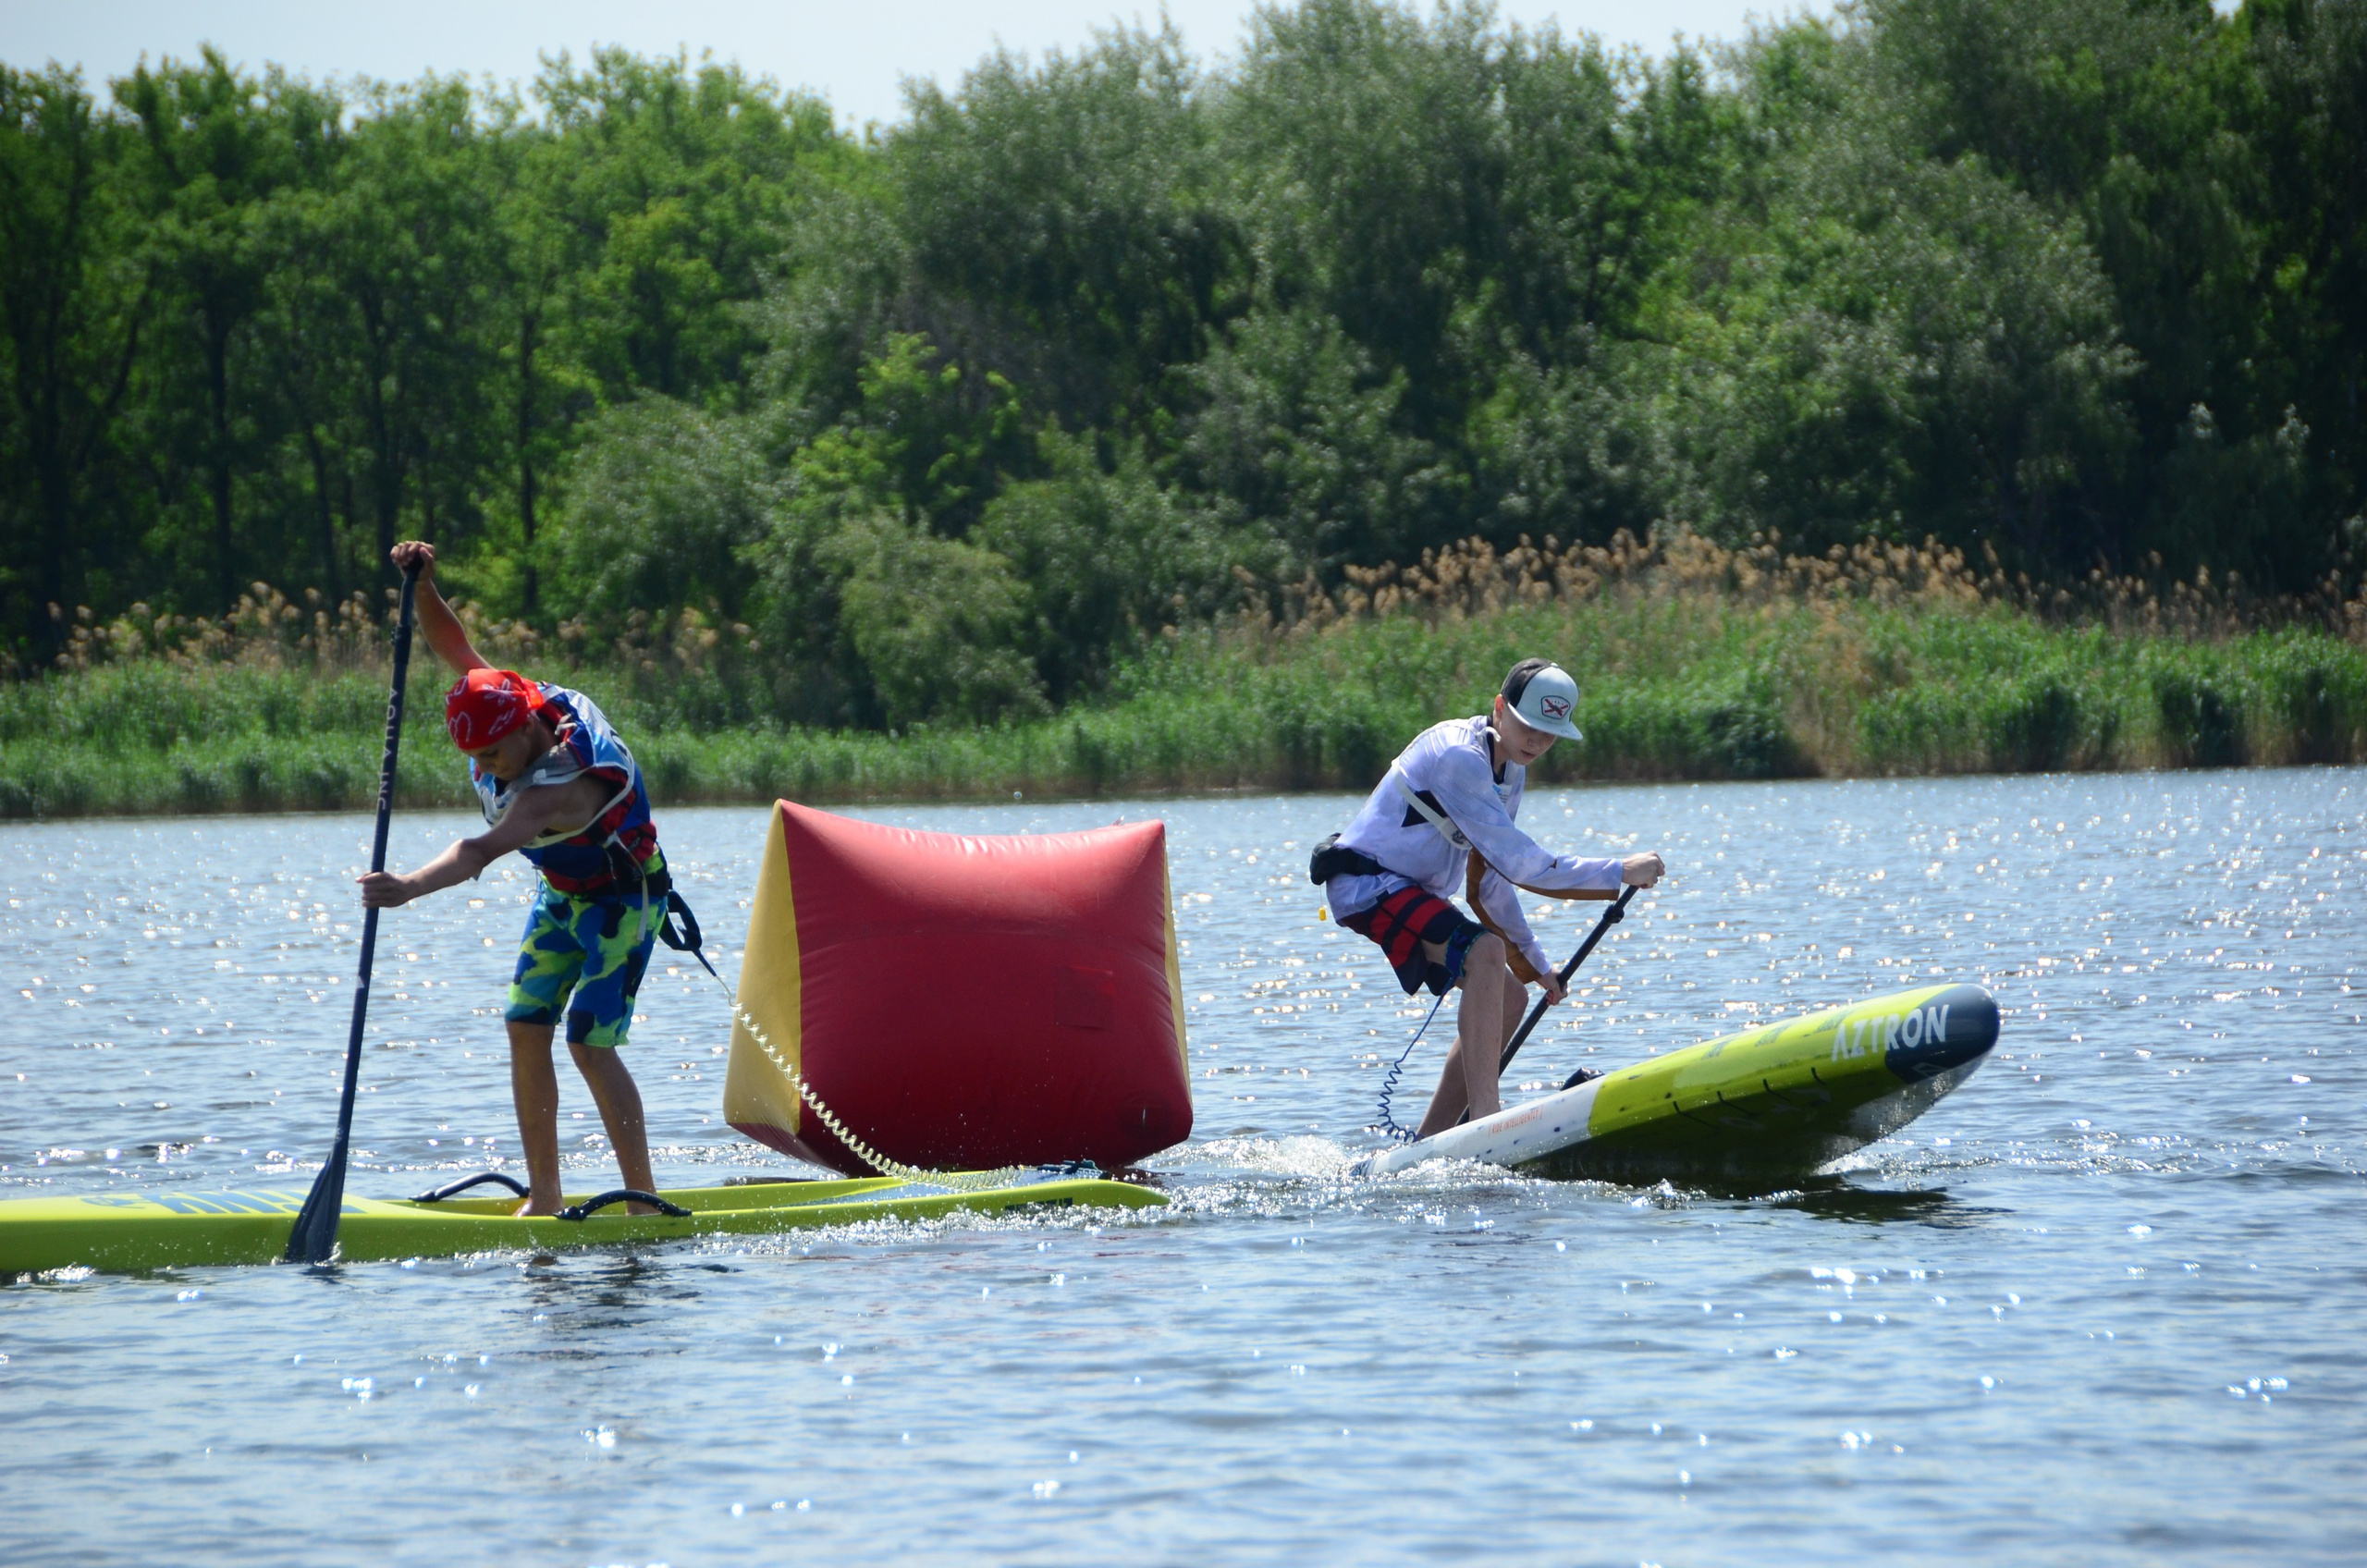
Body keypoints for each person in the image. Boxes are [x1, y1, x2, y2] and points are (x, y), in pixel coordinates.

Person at [358, 541, 665, 1216]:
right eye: (474, 756)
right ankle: (546, 1198)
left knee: (588, 1039)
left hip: (625, 897)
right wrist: (423, 588)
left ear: (525, 728)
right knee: (526, 1024)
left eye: (495, 753)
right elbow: (453, 645)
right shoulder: (503, 704)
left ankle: (644, 1202)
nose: (488, 766)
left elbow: (478, 850)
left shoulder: (554, 789)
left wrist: (406, 887)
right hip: (561, 892)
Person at [1311, 658, 1665, 1136]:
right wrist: (1619, 870)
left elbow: (1492, 881)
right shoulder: (1459, 758)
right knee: (1483, 951)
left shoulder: (1510, 771)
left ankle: (1428, 1144)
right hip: (1368, 884)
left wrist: (1537, 967)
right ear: (1500, 709)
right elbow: (1523, 864)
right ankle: (1486, 1123)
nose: (1538, 741)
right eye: (1528, 727)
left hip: (1410, 890)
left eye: (1550, 732)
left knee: (1510, 996)